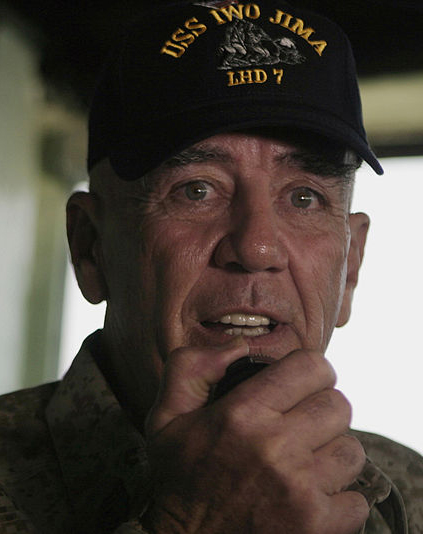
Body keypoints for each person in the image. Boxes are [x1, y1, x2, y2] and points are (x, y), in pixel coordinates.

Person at [1, 1, 422, 532]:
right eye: (196, 190)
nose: (257, 249)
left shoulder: (412, 487)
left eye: (305, 198)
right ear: (90, 248)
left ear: (351, 266)